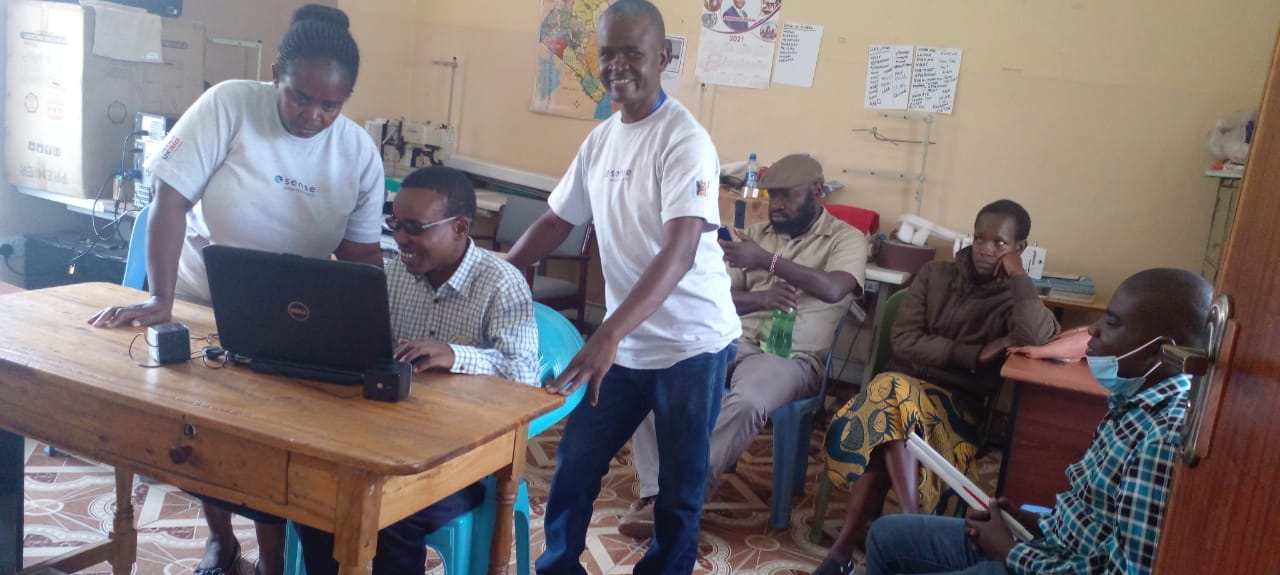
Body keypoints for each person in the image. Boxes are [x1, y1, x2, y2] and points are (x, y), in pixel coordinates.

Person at [86, 5, 383, 574]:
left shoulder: (358, 154)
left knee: (269, 445)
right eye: (300, 96)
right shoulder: (230, 105)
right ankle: (221, 539)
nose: (313, 115)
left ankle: (272, 559)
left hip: (291, 315)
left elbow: (360, 255)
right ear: (276, 74)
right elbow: (168, 202)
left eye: (331, 105)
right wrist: (160, 299)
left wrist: (374, 312)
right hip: (201, 296)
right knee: (201, 435)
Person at [504, 2, 740, 573]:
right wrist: (498, 272)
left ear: (662, 58)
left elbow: (680, 251)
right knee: (576, 466)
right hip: (627, 345)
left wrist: (607, 333)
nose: (617, 66)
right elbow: (559, 220)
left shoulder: (684, 141)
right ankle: (559, 565)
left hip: (692, 345)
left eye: (632, 52)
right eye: (608, 52)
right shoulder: (602, 139)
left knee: (679, 492)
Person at [862, 267, 1211, 575]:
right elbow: (1096, 520)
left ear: (1158, 350)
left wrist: (1012, 552)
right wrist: (1032, 522)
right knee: (885, 535)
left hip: (1039, 562)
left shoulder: (1161, 438)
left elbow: (1123, 571)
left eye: (1113, 322)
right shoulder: (1130, 403)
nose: (1094, 332)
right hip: (1047, 545)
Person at [297, 166, 540, 575]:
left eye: (415, 227)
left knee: (391, 517)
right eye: (395, 223)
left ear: (460, 228)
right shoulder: (396, 274)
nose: (401, 239)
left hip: (465, 456)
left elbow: (525, 379)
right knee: (317, 500)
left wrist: (456, 355)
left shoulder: (501, 283)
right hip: (391, 440)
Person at [618, 154, 867, 539]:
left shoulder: (847, 238)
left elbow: (835, 288)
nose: (777, 206)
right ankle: (656, 495)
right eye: (772, 197)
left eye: (787, 196)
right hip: (731, 339)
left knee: (748, 401)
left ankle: (681, 501)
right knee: (655, 374)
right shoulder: (754, 234)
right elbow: (712, 295)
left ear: (817, 192)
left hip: (790, 358)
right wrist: (762, 300)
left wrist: (767, 262)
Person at [814, 199, 1059, 575]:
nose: (985, 249)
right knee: (895, 402)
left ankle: (844, 552)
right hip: (901, 394)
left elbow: (1040, 339)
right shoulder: (935, 275)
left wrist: (1019, 279)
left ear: (1019, 248)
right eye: (979, 239)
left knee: (890, 406)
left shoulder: (1017, 297)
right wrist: (975, 356)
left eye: (999, 243)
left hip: (958, 410)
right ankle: (907, 529)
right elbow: (905, 341)